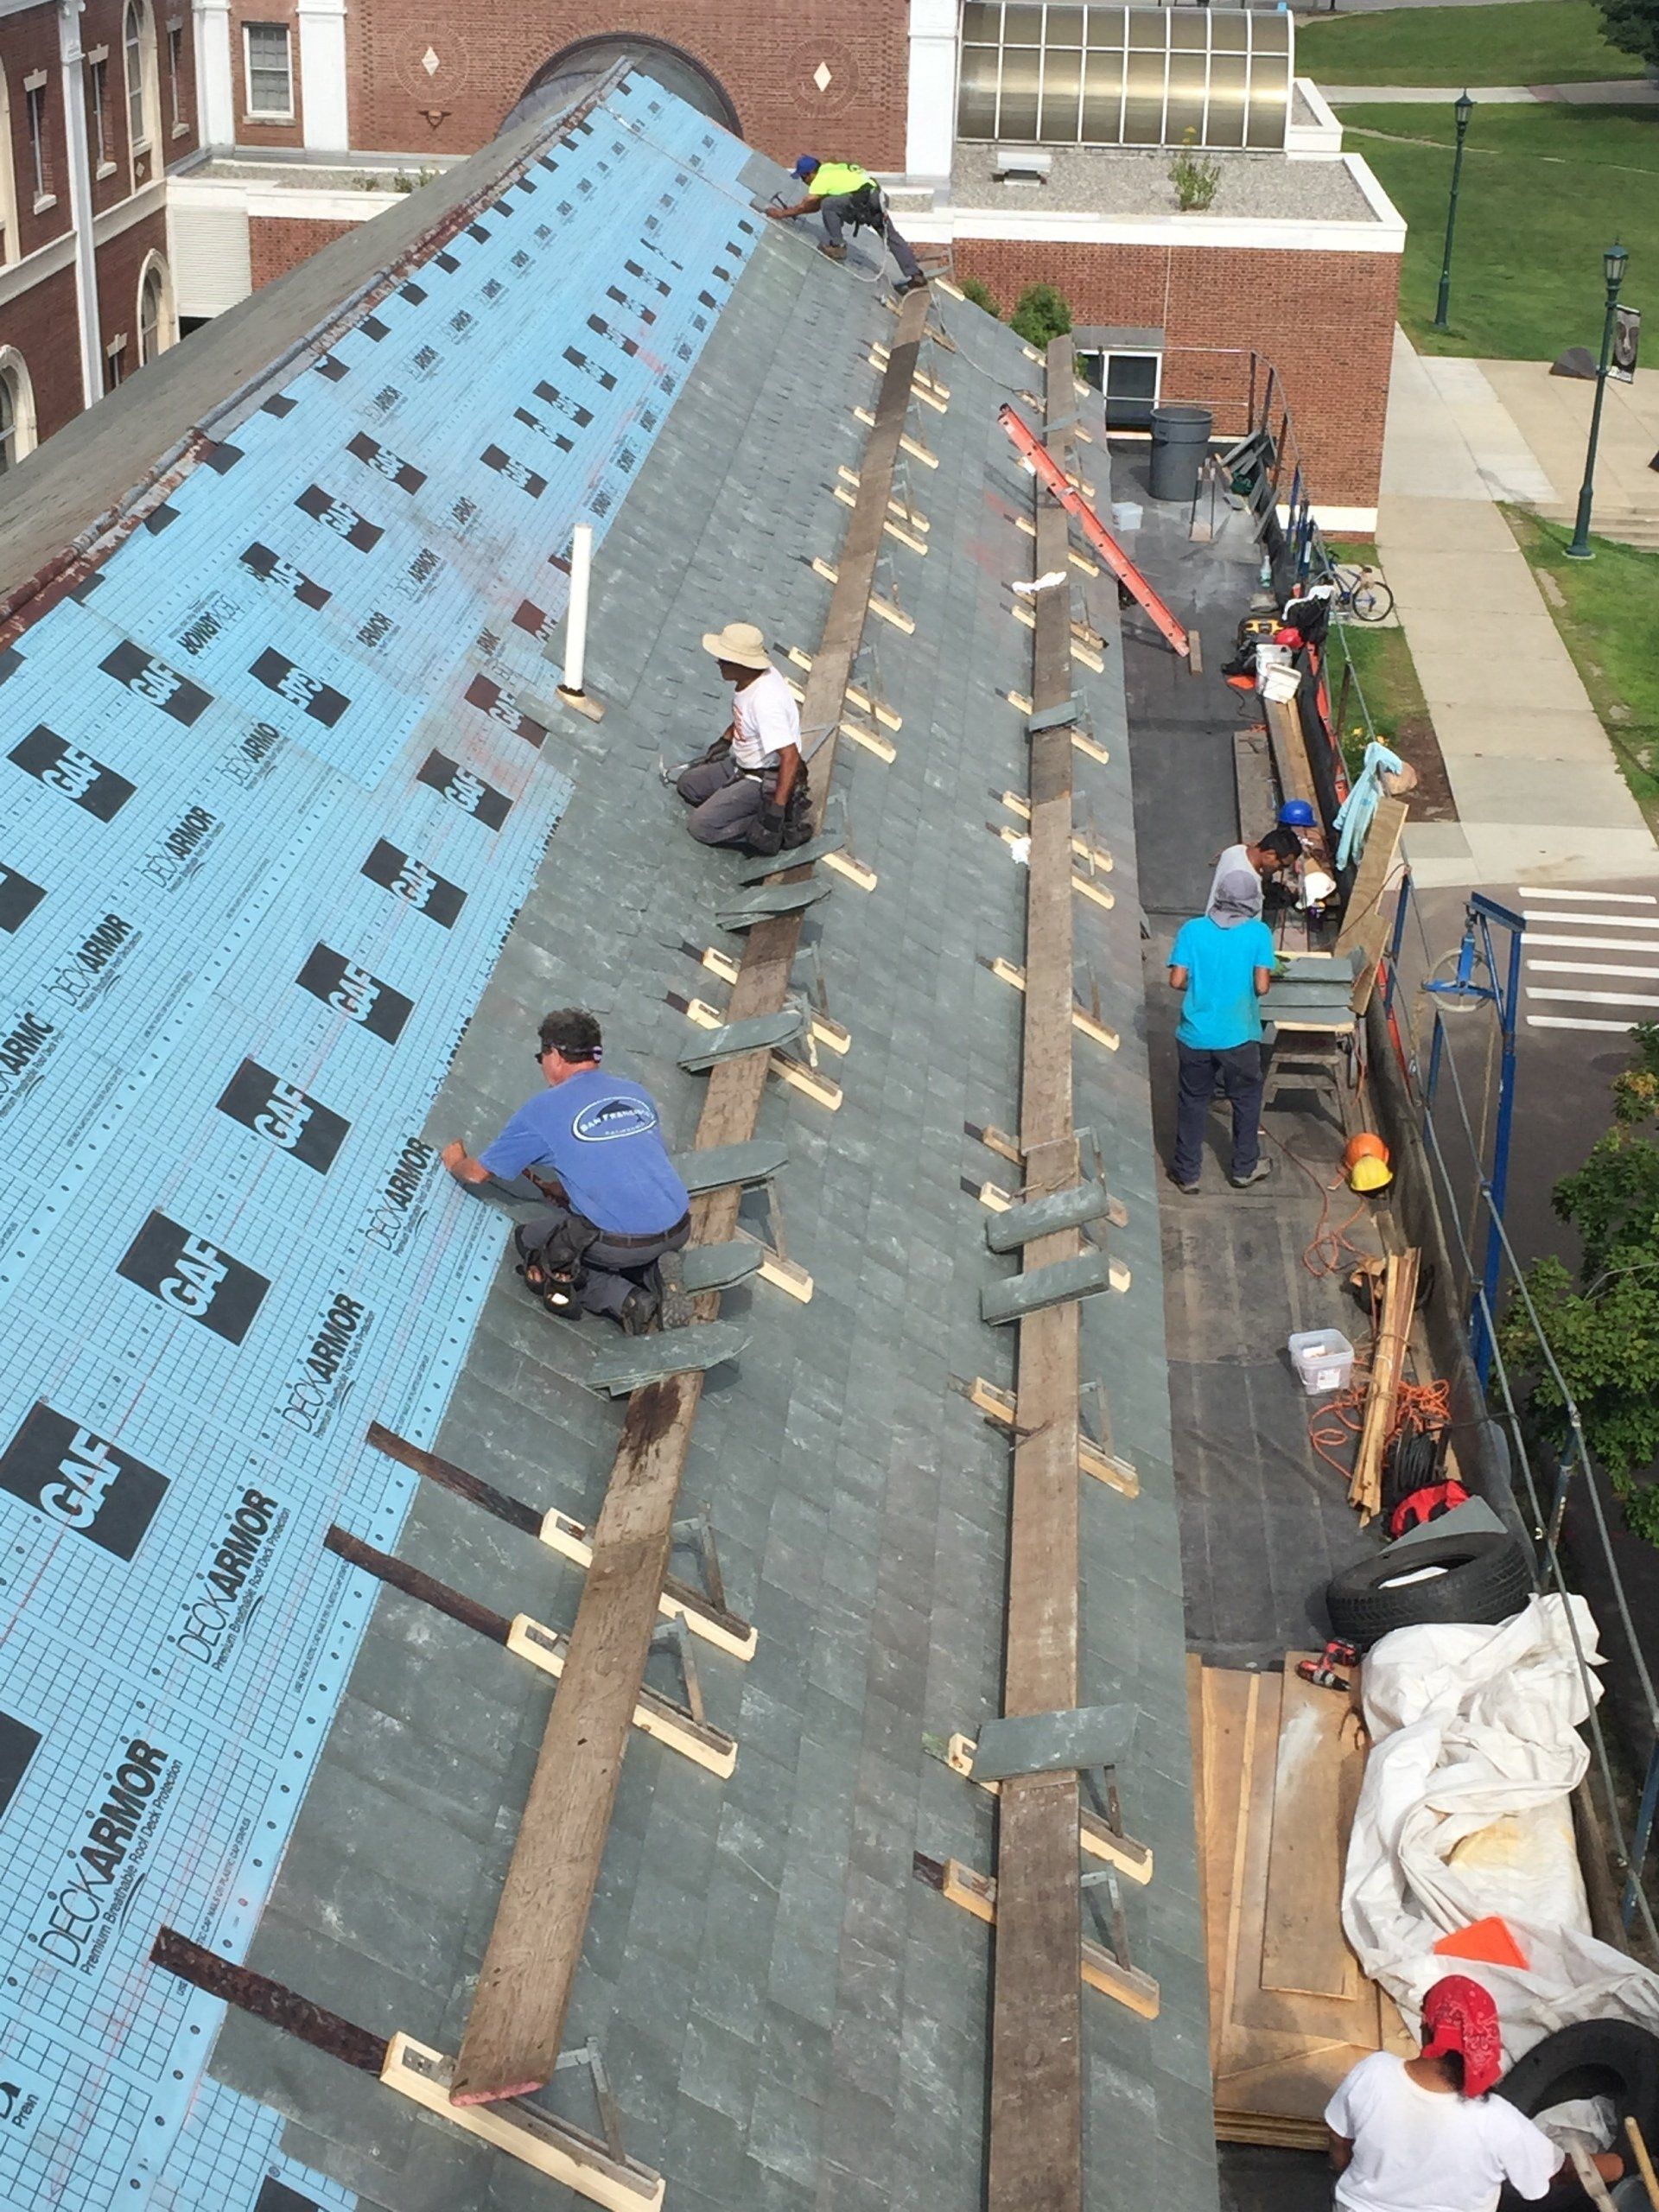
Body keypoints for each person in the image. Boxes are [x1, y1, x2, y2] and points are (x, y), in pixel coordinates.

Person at [440, 1010, 690, 1333]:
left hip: (624, 1244)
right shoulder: (634, 1093)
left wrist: (455, 1160)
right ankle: (655, 1269)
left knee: (536, 1245)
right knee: (619, 1237)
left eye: (540, 1055)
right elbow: (625, 1161)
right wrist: (570, 1189)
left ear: (555, 1055)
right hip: (680, 1222)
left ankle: (627, 1299)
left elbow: (478, 1174)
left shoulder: (543, 1110)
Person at [1325, 1975, 1623, 2212]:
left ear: (1426, 2029)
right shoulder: (1498, 2122)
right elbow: (1559, 2172)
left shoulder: (1374, 2072)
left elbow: (1340, 2145)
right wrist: (1623, 2164)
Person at [1166, 866, 1277, 1193]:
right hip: (1240, 1035)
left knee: (1193, 1099)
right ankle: (1244, 1168)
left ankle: (1187, 1173)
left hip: (1195, 1035)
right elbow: (1262, 986)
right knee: (1245, 1098)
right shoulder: (1259, 934)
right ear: (1251, 902)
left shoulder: (1192, 930)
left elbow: (1176, 980)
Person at [677, 620, 809, 853]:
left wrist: (775, 814)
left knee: (701, 827)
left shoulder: (767, 702)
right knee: (689, 786)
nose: (719, 663)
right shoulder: (750, 680)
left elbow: (790, 757)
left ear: (743, 664)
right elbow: (746, 716)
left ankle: (763, 823)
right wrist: (726, 740)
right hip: (741, 765)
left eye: (725, 660)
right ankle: (731, 802)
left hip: (762, 779)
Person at [766, 156, 929, 294]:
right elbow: (815, 205)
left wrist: (783, 214)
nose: (803, 181)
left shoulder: (820, 180)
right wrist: (794, 213)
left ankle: (838, 246)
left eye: (803, 177)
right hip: (876, 197)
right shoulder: (830, 168)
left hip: (864, 201)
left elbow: (810, 205)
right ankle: (916, 276)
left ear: (810, 174)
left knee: (829, 204)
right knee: (892, 237)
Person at [1205, 823, 1303, 912]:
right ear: (1270, 854)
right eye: (1283, 865)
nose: (1281, 869)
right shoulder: (1247, 881)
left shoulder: (1234, 851)